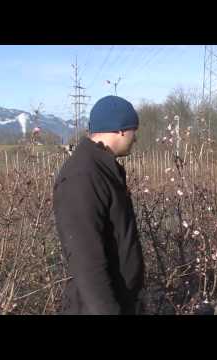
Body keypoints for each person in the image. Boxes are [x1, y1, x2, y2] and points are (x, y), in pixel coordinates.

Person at [53, 95, 145, 314]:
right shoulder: (82, 176)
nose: (135, 138)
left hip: (120, 300)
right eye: (134, 131)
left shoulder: (102, 168)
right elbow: (86, 260)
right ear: (121, 129)